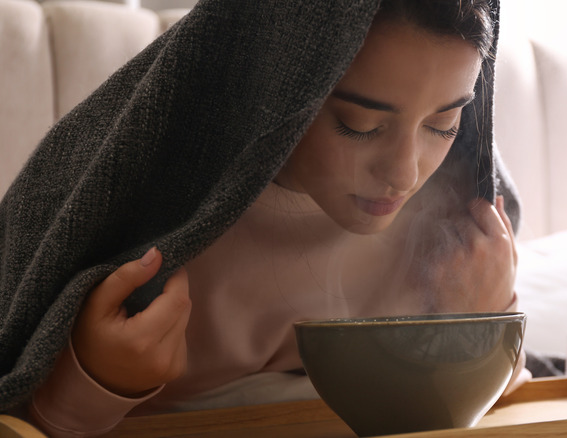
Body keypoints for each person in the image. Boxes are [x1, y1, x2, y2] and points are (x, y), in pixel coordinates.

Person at [0, 0, 530, 436]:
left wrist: (487, 323)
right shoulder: (150, 209)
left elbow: (515, 403)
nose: (403, 173)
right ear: (279, 87)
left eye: (444, 122)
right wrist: (91, 384)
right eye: (359, 123)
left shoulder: (463, 215)